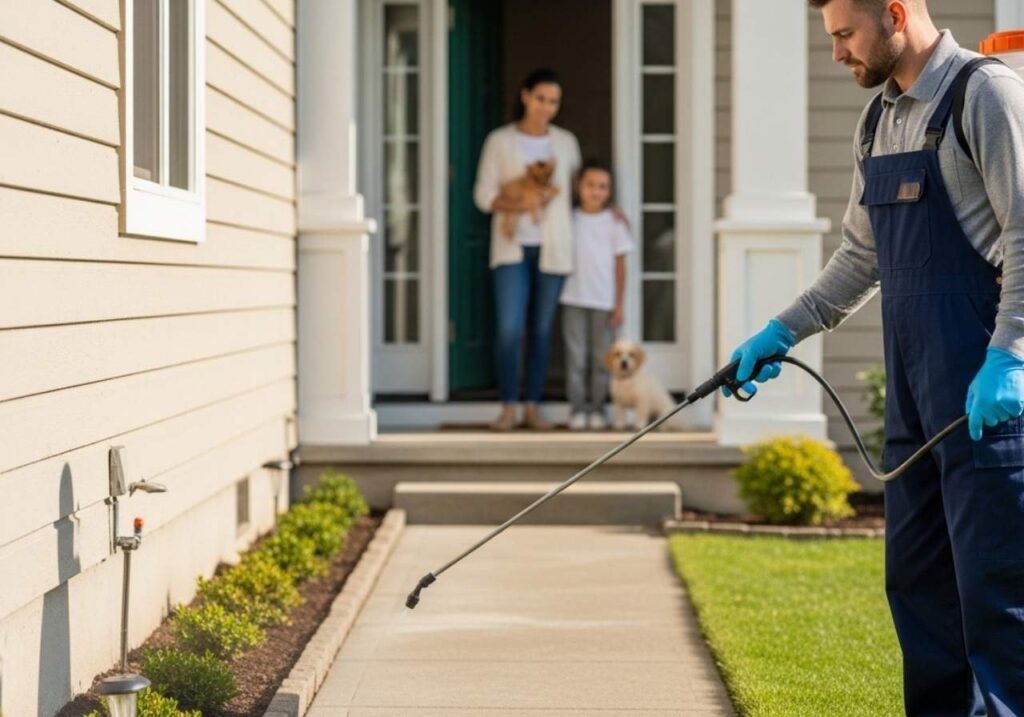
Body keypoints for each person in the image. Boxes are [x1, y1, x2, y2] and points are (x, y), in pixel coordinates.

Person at [727, 1, 1024, 713]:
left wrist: (1011, 354)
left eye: (843, 35)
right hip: (916, 399)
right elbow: (862, 258)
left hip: (987, 399)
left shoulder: (983, 94)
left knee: (998, 599)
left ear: (894, 14)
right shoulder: (878, 119)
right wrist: (781, 330)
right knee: (919, 591)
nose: (836, 54)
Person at [473, 68, 582, 431]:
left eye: (553, 102)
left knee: (541, 330)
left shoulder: (565, 142)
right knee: (509, 329)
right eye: (540, 99)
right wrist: (524, 203)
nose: (546, 107)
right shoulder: (499, 141)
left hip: (554, 249)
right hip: (511, 249)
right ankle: (508, 405)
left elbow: (577, 192)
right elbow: (484, 196)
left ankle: (532, 407)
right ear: (525, 96)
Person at [561, 159, 633, 430]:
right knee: (576, 358)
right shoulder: (569, 219)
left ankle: (597, 409)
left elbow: (620, 265)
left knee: (602, 359)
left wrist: (619, 305)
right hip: (573, 298)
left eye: (602, 186)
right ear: (579, 186)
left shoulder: (614, 223)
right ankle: (578, 409)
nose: (595, 191)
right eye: (590, 185)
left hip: (604, 300)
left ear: (609, 190)